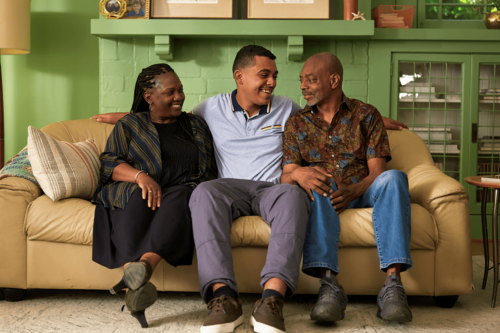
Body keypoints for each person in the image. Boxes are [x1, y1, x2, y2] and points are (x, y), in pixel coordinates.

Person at [92, 45, 408, 333]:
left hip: (272, 189)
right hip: (227, 189)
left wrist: (382, 120)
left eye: (275, 75)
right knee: (201, 193)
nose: (272, 82)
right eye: (264, 75)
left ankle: (272, 300)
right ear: (239, 77)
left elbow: (332, 112)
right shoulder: (209, 109)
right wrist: (115, 117)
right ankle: (223, 299)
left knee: (295, 194)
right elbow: (168, 117)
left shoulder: (290, 110)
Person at [281, 52, 413, 324]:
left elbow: (378, 172)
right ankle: (329, 286)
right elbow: (286, 175)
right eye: (301, 80)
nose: (303, 86)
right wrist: (302, 174)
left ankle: (393, 286)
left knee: (395, 178)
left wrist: (353, 190)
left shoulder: (366, 115)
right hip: (324, 197)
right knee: (318, 180)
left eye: (311, 79)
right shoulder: (297, 122)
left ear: (334, 79)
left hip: (363, 191)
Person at [91, 63, 217, 328]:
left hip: (182, 190)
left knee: (182, 198)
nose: (179, 97)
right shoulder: (131, 124)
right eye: (171, 92)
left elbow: (207, 170)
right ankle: (135, 284)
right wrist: (140, 177)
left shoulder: (195, 125)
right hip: (136, 188)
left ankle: (142, 270)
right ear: (149, 97)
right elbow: (108, 162)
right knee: (135, 197)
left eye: (180, 90)